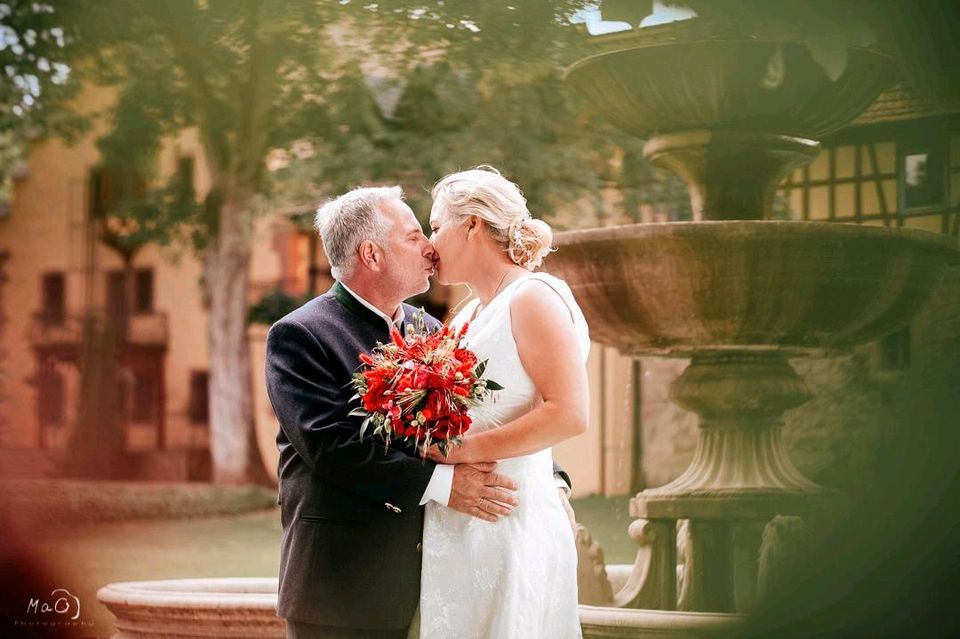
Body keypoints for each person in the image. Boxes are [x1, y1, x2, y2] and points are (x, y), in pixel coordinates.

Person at [264, 185, 572, 639]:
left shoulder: (428, 328)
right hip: (342, 587)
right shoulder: (301, 335)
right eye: (413, 236)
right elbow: (332, 445)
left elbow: (484, 411)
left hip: (430, 582)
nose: (429, 247)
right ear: (371, 254)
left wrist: (548, 477)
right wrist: (446, 485)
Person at [416, 166, 591, 638]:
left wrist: (466, 451)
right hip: (456, 529)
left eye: (435, 227)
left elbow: (569, 413)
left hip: (511, 522)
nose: (430, 246)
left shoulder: (535, 297)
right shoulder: (468, 313)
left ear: (472, 224)